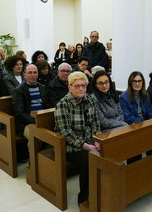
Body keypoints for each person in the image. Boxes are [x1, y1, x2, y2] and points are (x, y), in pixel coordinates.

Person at [54, 71, 100, 205]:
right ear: (69, 87)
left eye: (84, 86)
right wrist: (86, 146)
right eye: (77, 86)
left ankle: (102, 191)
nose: (81, 89)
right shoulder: (63, 105)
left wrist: (97, 140)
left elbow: (95, 122)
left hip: (89, 140)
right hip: (70, 145)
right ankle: (84, 198)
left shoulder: (90, 99)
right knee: (88, 160)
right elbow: (65, 133)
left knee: (107, 151)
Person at [120, 71, 152, 160]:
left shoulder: (146, 95)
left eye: (139, 81)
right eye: (134, 81)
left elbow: (150, 111)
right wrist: (144, 123)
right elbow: (128, 117)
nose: (137, 84)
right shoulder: (124, 97)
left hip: (144, 124)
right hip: (133, 126)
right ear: (130, 83)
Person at [12, 64, 49, 138]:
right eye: (30, 73)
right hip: (27, 123)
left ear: (38, 74)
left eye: (35, 72)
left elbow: (47, 105)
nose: (33, 75)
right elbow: (19, 113)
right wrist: (35, 121)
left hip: (42, 119)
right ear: (24, 74)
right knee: (36, 136)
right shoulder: (19, 91)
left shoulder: (43, 88)